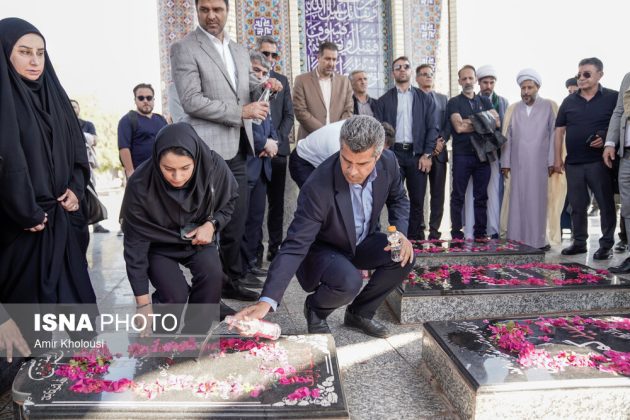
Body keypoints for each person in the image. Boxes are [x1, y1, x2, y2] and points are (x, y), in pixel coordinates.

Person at [234, 116, 414, 338]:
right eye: (347, 160)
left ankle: (360, 313)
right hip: (324, 248)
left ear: (377, 156)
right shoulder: (318, 185)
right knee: (349, 281)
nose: (352, 171)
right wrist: (266, 301)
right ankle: (315, 310)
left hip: (361, 240)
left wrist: (400, 236)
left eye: (362, 164)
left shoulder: (389, 163)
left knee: (403, 255)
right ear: (341, 148)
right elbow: (294, 244)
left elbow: (399, 199)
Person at [0, 17, 96, 378]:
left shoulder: (55, 97)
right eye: (24, 52)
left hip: (61, 224)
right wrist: (25, 210)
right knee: (21, 345)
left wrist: (74, 187)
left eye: (40, 53)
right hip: (19, 233)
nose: (34, 61)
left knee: (84, 329)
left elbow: (76, 152)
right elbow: (9, 162)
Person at [170, 0, 282, 302]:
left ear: (227, 11)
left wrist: (264, 84)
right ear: (197, 10)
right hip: (208, 150)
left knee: (236, 219)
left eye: (217, 9)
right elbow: (192, 100)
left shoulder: (238, 50)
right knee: (207, 222)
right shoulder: (185, 48)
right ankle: (208, 291)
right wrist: (241, 111)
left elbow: (245, 86)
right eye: (204, 9)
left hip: (239, 148)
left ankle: (231, 280)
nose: (211, 15)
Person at [120, 123, 238, 332]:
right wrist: (143, 305)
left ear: (196, 159)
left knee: (212, 276)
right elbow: (134, 247)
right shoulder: (140, 183)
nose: (177, 177)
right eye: (168, 169)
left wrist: (212, 224)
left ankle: (194, 336)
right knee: (174, 295)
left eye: (185, 168)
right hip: (158, 245)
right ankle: (162, 334)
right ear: (157, 162)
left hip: (198, 237)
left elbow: (229, 201)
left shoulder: (213, 166)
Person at [553, 57, 618, 259]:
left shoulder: (612, 97)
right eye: (578, 74)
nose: (581, 78)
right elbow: (559, 131)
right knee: (577, 206)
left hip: (600, 162)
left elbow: (620, 124)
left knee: (605, 205)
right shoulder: (569, 101)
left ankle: (606, 245)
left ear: (600, 75)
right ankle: (579, 242)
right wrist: (557, 158)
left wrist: (605, 135)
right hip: (573, 162)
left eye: (586, 74)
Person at [374, 56, 439, 240]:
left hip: (417, 155)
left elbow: (432, 127)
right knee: (392, 199)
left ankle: (415, 242)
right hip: (392, 156)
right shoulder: (384, 100)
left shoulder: (424, 99)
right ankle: (397, 240)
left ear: (411, 72)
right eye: (398, 67)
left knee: (417, 201)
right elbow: (379, 129)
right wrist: (384, 155)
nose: (402, 70)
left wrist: (427, 154)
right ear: (393, 73)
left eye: (406, 67)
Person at [500, 69, 557, 249]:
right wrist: (506, 163)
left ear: (537, 87)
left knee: (538, 202)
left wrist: (552, 161)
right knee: (517, 201)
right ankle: (516, 239)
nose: (526, 91)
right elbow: (507, 137)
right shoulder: (513, 108)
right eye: (523, 88)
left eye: (529, 87)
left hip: (540, 164)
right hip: (517, 164)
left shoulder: (549, 106)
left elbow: (555, 134)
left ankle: (539, 241)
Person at [255, 36, 294, 264]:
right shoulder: (251, 79)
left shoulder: (282, 80)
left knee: (276, 203)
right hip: (257, 152)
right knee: (257, 204)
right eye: (265, 53)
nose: (269, 58)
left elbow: (289, 115)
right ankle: (256, 249)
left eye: (273, 55)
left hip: (277, 151)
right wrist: (263, 142)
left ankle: (275, 248)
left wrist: (275, 140)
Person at [447, 65, 499, 240]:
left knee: (481, 196)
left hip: (482, 156)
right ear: (459, 81)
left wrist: (470, 121)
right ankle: (456, 233)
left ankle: (480, 232)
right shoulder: (453, 102)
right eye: (464, 78)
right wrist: (483, 121)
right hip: (462, 155)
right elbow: (459, 127)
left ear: (475, 79)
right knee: (458, 195)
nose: (468, 81)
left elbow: (496, 123)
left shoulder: (485, 101)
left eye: (471, 78)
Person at [240, 52, 278, 282]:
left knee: (255, 220)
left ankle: (252, 265)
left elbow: (269, 126)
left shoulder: (265, 96)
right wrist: (264, 143)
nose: (261, 77)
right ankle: (240, 270)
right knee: (242, 222)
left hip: (263, 165)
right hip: (246, 166)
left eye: (265, 73)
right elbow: (244, 126)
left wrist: (272, 143)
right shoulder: (242, 96)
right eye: (256, 71)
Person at [463, 65, 508, 239]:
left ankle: (494, 229)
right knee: (473, 193)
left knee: (494, 192)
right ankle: (473, 229)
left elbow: (502, 126)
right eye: (484, 82)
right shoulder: (473, 101)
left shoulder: (502, 102)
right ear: (478, 83)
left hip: (494, 154)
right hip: (472, 154)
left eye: (491, 82)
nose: (488, 86)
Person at [289, 120, 396, 188]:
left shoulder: (363, 131)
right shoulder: (343, 146)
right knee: (315, 202)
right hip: (302, 161)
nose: (378, 156)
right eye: (379, 150)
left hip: (321, 159)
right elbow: (344, 180)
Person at [292, 42, 353, 140]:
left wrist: (335, 131)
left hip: (336, 139)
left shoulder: (344, 82)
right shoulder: (302, 80)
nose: (331, 63)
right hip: (310, 139)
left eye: (334, 59)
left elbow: (348, 111)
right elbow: (300, 111)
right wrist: (324, 132)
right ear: (318, 58)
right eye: (327, 59)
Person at [416, 64, 449, 239]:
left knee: (438, 195)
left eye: (430, 74)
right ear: (417, 78)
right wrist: (427, 148)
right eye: (424, 74)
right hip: (421, 154)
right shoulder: (414, 99)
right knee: (418, 194)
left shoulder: (443, 99)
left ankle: (435, 231)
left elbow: (447, 124)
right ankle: (419, 229)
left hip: (439, 154)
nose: (428, 77)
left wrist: (440, 142)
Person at [604, 72, 630, 272]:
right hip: (626, 154)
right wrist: (610, 143)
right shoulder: (628, 77)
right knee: (628, 207)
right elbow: (619, 111)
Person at [70, 99, 109, 233]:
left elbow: (95, 140)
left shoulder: (87, 124)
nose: (73, 109)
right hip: (70, 164)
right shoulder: (63, 122)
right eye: (70, 106)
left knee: (91, 192)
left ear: (79, 109)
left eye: (75, 106)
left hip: (86, 163)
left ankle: (96, 224)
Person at [117, 83, 168, 179]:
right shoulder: (127, 120)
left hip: (162, 173)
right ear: (135, 100)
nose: (145, 101)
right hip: (140, 175)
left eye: (149, 98)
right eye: (141, 98)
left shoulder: (161, 119)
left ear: (153, 100)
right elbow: (124, 148)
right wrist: (130, 172)